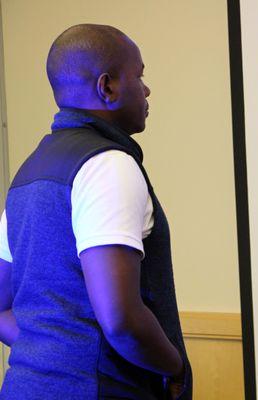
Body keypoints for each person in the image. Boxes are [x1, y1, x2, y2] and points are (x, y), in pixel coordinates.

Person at [0, 24, 191, 399]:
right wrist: (176, 366)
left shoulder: (30, 171)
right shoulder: (108, 165)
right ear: (107, 87)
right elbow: (120, 318)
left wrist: (54, 346)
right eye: (139, 75)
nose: (147, 89)